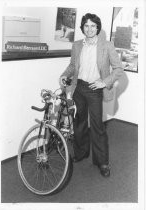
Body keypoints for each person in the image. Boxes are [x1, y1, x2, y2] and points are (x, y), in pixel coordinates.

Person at [59, 13, 123, 177]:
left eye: (93, 26)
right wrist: (64, 74)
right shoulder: (77, 45)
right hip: (78, 87)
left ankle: (102, 162)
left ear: (97, 28)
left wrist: (105, 82)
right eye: (86, 26)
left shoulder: (107, 46)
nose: (89, 29)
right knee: (79, 122)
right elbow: (73, 66)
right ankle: (81, 153)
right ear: (82, 28)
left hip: (95, 90)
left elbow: (118, 69)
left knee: (97, 127)